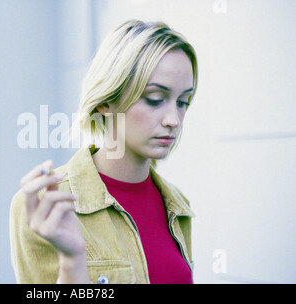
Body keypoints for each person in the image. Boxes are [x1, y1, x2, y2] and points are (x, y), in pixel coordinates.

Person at [10, 19, 198, 284]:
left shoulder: (178, 205)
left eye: (183, 102)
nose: (174, 120)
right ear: (107, 102)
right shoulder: (48, 206)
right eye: (155, 99)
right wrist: (73, 261)